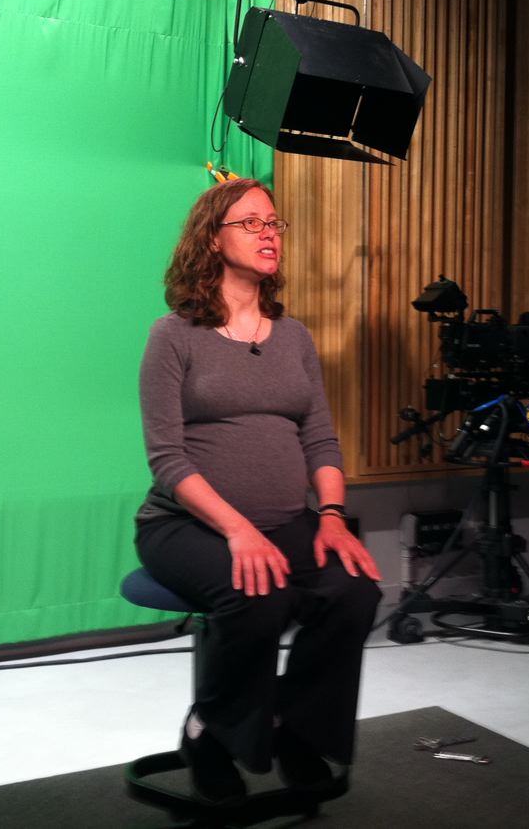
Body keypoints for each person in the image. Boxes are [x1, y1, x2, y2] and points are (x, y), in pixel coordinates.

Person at [134, 177, 383, 804]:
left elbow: (321, 441)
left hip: (288, 521)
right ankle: (210, 733)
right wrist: (237, 529)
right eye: (251, 223)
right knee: (257, 597)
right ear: (213, 240)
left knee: (353, 590)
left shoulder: (293, 337)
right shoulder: (173, 336)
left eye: (274, 224)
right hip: (183, 526)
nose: (269, 233)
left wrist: (331, 515)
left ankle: (298, 729)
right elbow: (167, 458)